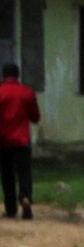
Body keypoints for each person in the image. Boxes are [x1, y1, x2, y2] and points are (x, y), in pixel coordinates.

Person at [0, 61, 36, 219]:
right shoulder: (27, 92)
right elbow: (35, 117)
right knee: (24, 172)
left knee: (7, 174)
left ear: (3, 75)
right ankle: (25, 197)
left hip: (3, 141)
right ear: (18, 75)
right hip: (22, 140)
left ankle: (10, 208)